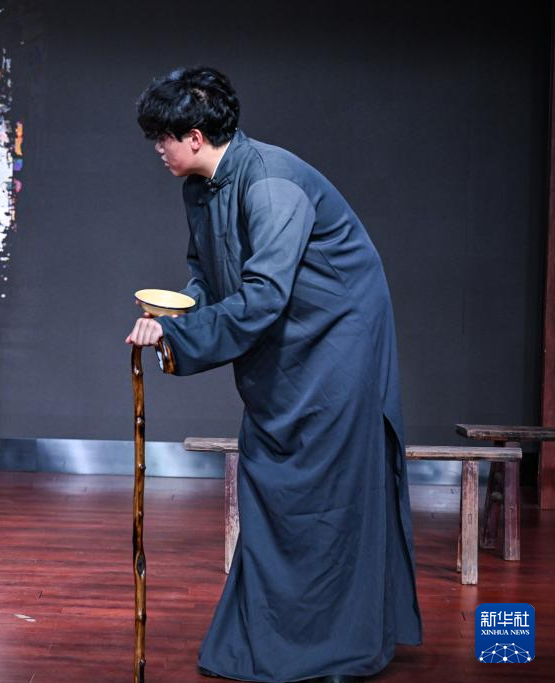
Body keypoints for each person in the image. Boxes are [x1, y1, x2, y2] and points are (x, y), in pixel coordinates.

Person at [127, 67, 422, 682]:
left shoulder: (270, 184)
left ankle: (336, 650)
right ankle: (273, 643)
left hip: (335, 339)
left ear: (196, 137)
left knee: (326, 489)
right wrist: (171, 316)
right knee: (272, 484)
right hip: (287, 338)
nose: (157, 147)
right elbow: (208, 277)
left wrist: (181, 338)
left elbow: (263, 296)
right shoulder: (199, 188)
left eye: (163, 136)